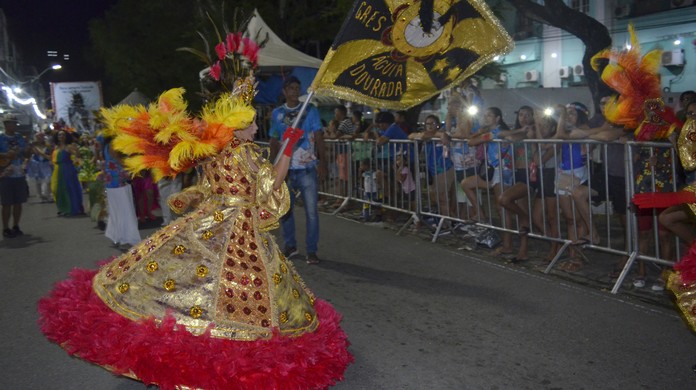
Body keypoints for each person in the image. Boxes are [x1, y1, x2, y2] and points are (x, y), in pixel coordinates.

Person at [38, 80, 352, 389]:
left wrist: (187, 198)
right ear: (237, 128)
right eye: (252, 125)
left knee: (188, 278)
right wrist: (288, 146)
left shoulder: (213, 151)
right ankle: (223, 354)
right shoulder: (247, 153)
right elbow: (268, 185)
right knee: (239, 292)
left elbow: (206, 187)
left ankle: (180, 343)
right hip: (238, 227)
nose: (256, 130)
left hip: (208, 220)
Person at [269, 76, 328, 264]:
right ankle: (290, 246)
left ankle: (311, 250)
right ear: (285, 91)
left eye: (297, 88)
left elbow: (318, 136)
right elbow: (274, 139)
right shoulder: (277, 113)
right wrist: (272, 167)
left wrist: (323, 162)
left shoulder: (310, 110)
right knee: (286, 210)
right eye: (291, 88)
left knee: (312, 212)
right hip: (286, 170)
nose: (295, 91)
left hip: (307, 168)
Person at [99, 133, 141, 248]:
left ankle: (117, 236)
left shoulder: (106, 145)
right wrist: (136, 166)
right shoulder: (113, 144)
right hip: (118, 181)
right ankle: (126, 237)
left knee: (116, 210)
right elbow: (120, 160)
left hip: (112, 181)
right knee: (124, 209)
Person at [0, 114, 29, 238]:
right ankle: (6, 227)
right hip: (6, 173)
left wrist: (28, 150)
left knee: (18, 202)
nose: (14, 125)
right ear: (6, 124)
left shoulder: (19, 137)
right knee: (6, 203)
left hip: (19, 172)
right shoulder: (1, 137)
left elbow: (24, 152)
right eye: (12, 123)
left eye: (15, 123)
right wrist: (6, 155)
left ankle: (16, 225)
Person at [50, 129, 84, 216]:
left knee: (69, 188)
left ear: (66, 137)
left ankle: (70, 208)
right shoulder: (56, 147)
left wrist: (76, 151)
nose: (61, 136)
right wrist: (39, 153)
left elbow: (77, 155)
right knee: (57, 189)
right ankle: (62, 208)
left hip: (67, 169)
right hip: (58, 170)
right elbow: (52, 159)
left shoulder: (69, 147)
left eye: (63, 135)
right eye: (59, 135)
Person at [26, 131, 54, 203]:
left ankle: (48, 194)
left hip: (45, 164)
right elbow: (28, 154)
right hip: (35, 164)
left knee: (48, 179)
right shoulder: (33, 146)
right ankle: (40, 196)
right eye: (38, 137)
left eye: (41, 137)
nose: (39, 138)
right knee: (38, 181)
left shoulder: (47, 145)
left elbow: (50, 154)